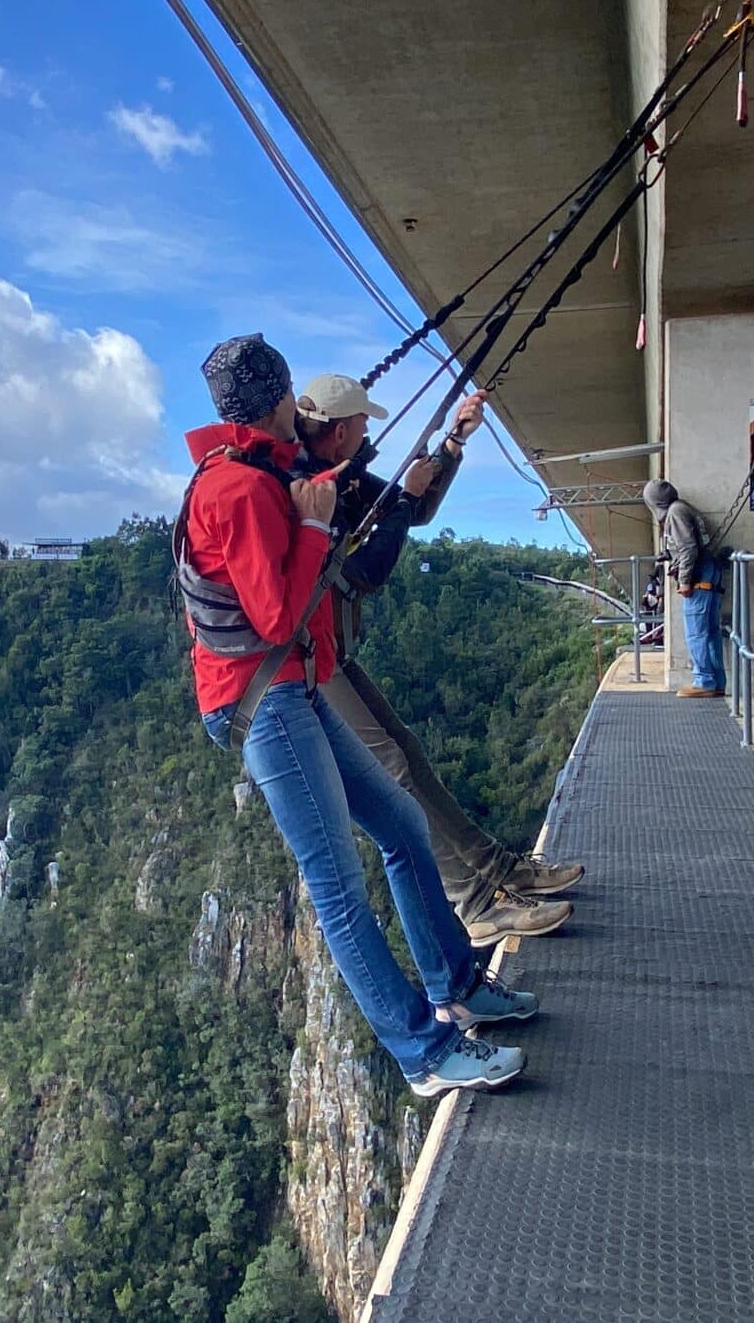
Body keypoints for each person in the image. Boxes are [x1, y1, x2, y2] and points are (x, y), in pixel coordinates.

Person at [179, 335, 531, 1097]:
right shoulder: (239, 489)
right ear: (278, 401)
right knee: (338, 884)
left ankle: (457, 983)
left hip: (292, 687)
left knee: (403, 825)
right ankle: (424, 1054)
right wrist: (311, 526)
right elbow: (275, 618)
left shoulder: (263, 473)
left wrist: (440, 451)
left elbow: (384, 511)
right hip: (263, 700)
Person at [288, 373, 582, 947]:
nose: (370, 430)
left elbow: (410, 510)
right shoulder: (307, 489)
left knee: (408, 755)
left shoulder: (334, 479)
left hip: (324, 649)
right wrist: (403, 498)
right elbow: (367, 568)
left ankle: (495, 869)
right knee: (393, 769)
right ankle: (471, 902)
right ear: (342, 429)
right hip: (301, 660)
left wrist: (451, 445)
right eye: (363, 424)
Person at [644, 478, 725, 699]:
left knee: (696, 633)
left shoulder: (675, 513)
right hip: (709, 569)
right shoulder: (683, 507)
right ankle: (717, 681)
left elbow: (689, 548)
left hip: (699, 575)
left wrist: (685, 580)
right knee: (710, 633)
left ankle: (704, 681)